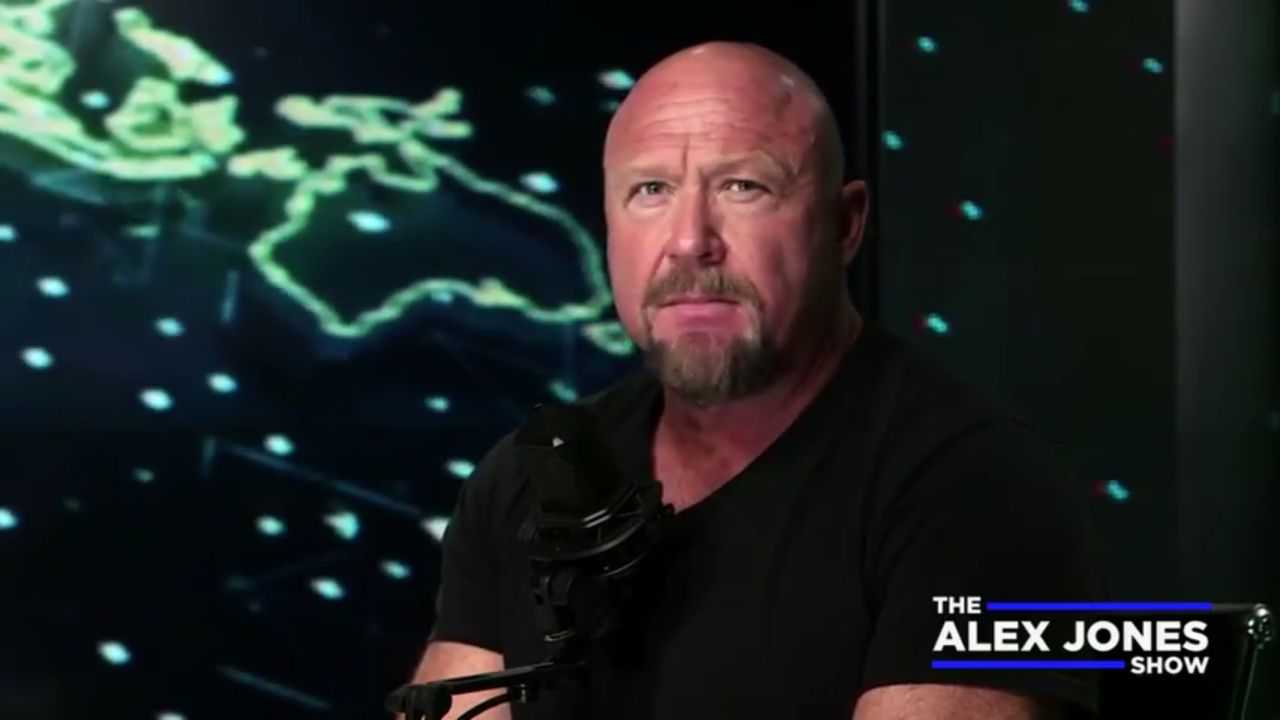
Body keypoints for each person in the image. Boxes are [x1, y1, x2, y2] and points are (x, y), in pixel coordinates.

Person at [409, 42, 1103, 719]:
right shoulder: (525, 481)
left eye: (744, 187)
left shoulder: (977, 485)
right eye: (651, 190)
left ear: (844, 224)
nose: (690, 241)